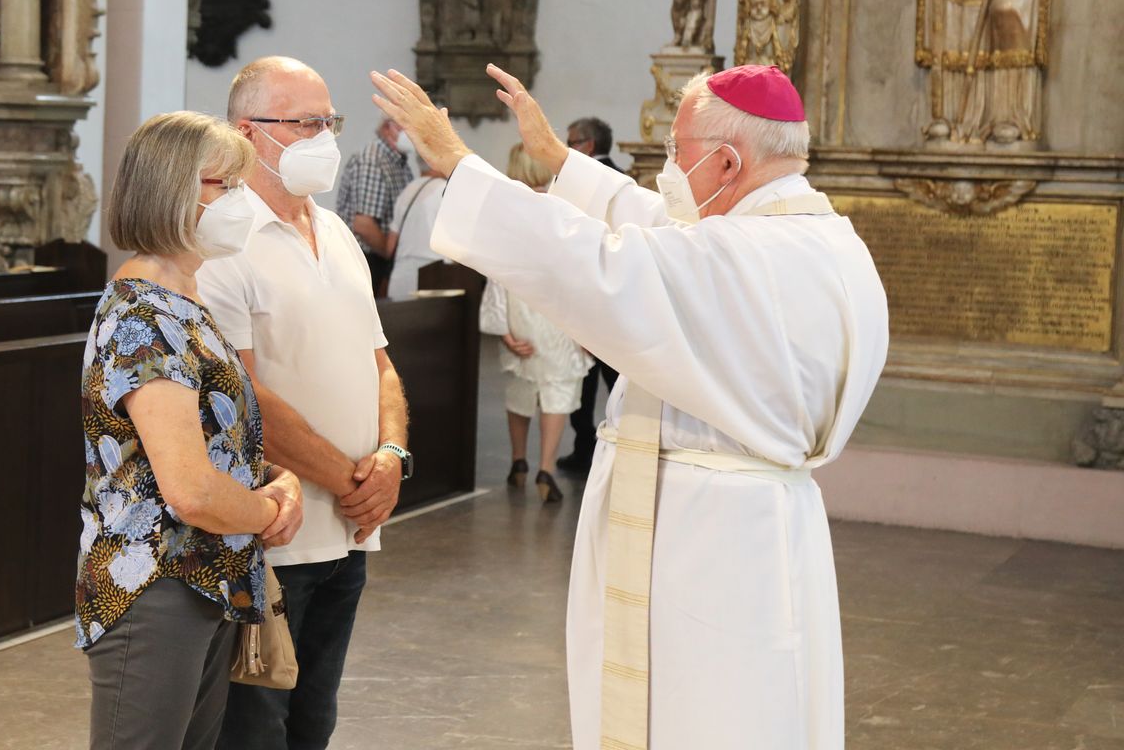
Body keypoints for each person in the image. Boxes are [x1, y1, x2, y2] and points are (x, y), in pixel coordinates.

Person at [371, 63, 889, 749]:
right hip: (758, 522)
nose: (668, 171)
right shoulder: (819, 238)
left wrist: (463, 167)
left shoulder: (741, 254)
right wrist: (562, 166)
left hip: (706, 539)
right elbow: (661, 233)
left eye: (677, 154)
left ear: (728, 160)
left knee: (700, 715)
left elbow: (600, 263)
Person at [197, 56, 411, 750]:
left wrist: (389, 455)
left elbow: (379, 362)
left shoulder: (339, 232)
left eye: (329, 121)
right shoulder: (223, 243)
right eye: (305, 122)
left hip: (348, 533)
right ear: (247, 132)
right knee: (255, 731)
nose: (324, 136)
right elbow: (243, 395)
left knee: (315, 721)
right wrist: (348, 480)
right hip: (273, 534)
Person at [76, 110, 303, 749]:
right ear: (170, 191)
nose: (240, 202)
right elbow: (190, 489)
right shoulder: (142, 317)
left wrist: (279, 482)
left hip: (208, 577)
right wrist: (265, 511)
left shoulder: (189, 304)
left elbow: (219, 441)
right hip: (155, 586)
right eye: (222, 186)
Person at [480, 143, 593, 503]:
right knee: (557, 389)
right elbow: (580, 271)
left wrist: (503, 330)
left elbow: (495, 270)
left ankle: (518, 462)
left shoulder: (506, 211)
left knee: (520, 386)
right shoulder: (567, 209)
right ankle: (546, 466)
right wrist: (588, 325)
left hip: (520, 308)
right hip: (557, 314)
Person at [558, 117, 620, 474]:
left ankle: (585, 451)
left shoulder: (584, 186)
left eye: (571, 142)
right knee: (617, 382)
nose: (567, 150)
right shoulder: (622, 179)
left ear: (588, 146)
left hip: (589, 303)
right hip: (615, 303)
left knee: (583, 388)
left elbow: (578, 248)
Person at [334, 115, 415, 294]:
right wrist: (392, 255)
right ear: (388, 127)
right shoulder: (374, 159)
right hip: (369, 261)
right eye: (408, 126)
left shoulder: (399, 162)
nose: (414, 133)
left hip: (382, 260)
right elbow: (363, 225)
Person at [385, 155, 446, 299]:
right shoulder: (445, 190)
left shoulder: (406, 192)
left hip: (401, 279)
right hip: (434, 277)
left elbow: (389, 247)